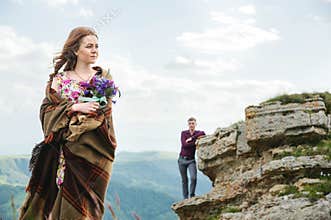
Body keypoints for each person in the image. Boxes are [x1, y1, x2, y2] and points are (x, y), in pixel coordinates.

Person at [19, 26, 117, 219]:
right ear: (75, 50)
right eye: (89, 46)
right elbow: (46, 112)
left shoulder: (102, 78)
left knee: (90, 207)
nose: (95, 50)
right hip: (68, 151)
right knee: (70, 207)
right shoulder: (59, 80)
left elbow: (104, 112)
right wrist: (74, 108)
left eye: (97, 46)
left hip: (96, 151)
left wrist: (84, 116)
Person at [178, 117, 205, 199]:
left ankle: (192, 195)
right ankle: (185, 198)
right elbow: (184, 145)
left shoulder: (198, 133)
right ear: (188, 125)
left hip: (191, 160)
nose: (191, 125)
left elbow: (203, 133)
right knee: (184, 180)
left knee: (193, 178)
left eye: (193, 123)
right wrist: (195, 142)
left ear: (195, 124)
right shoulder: (184, 133)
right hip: (181, 160)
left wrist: (192, 138)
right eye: (190, 124)